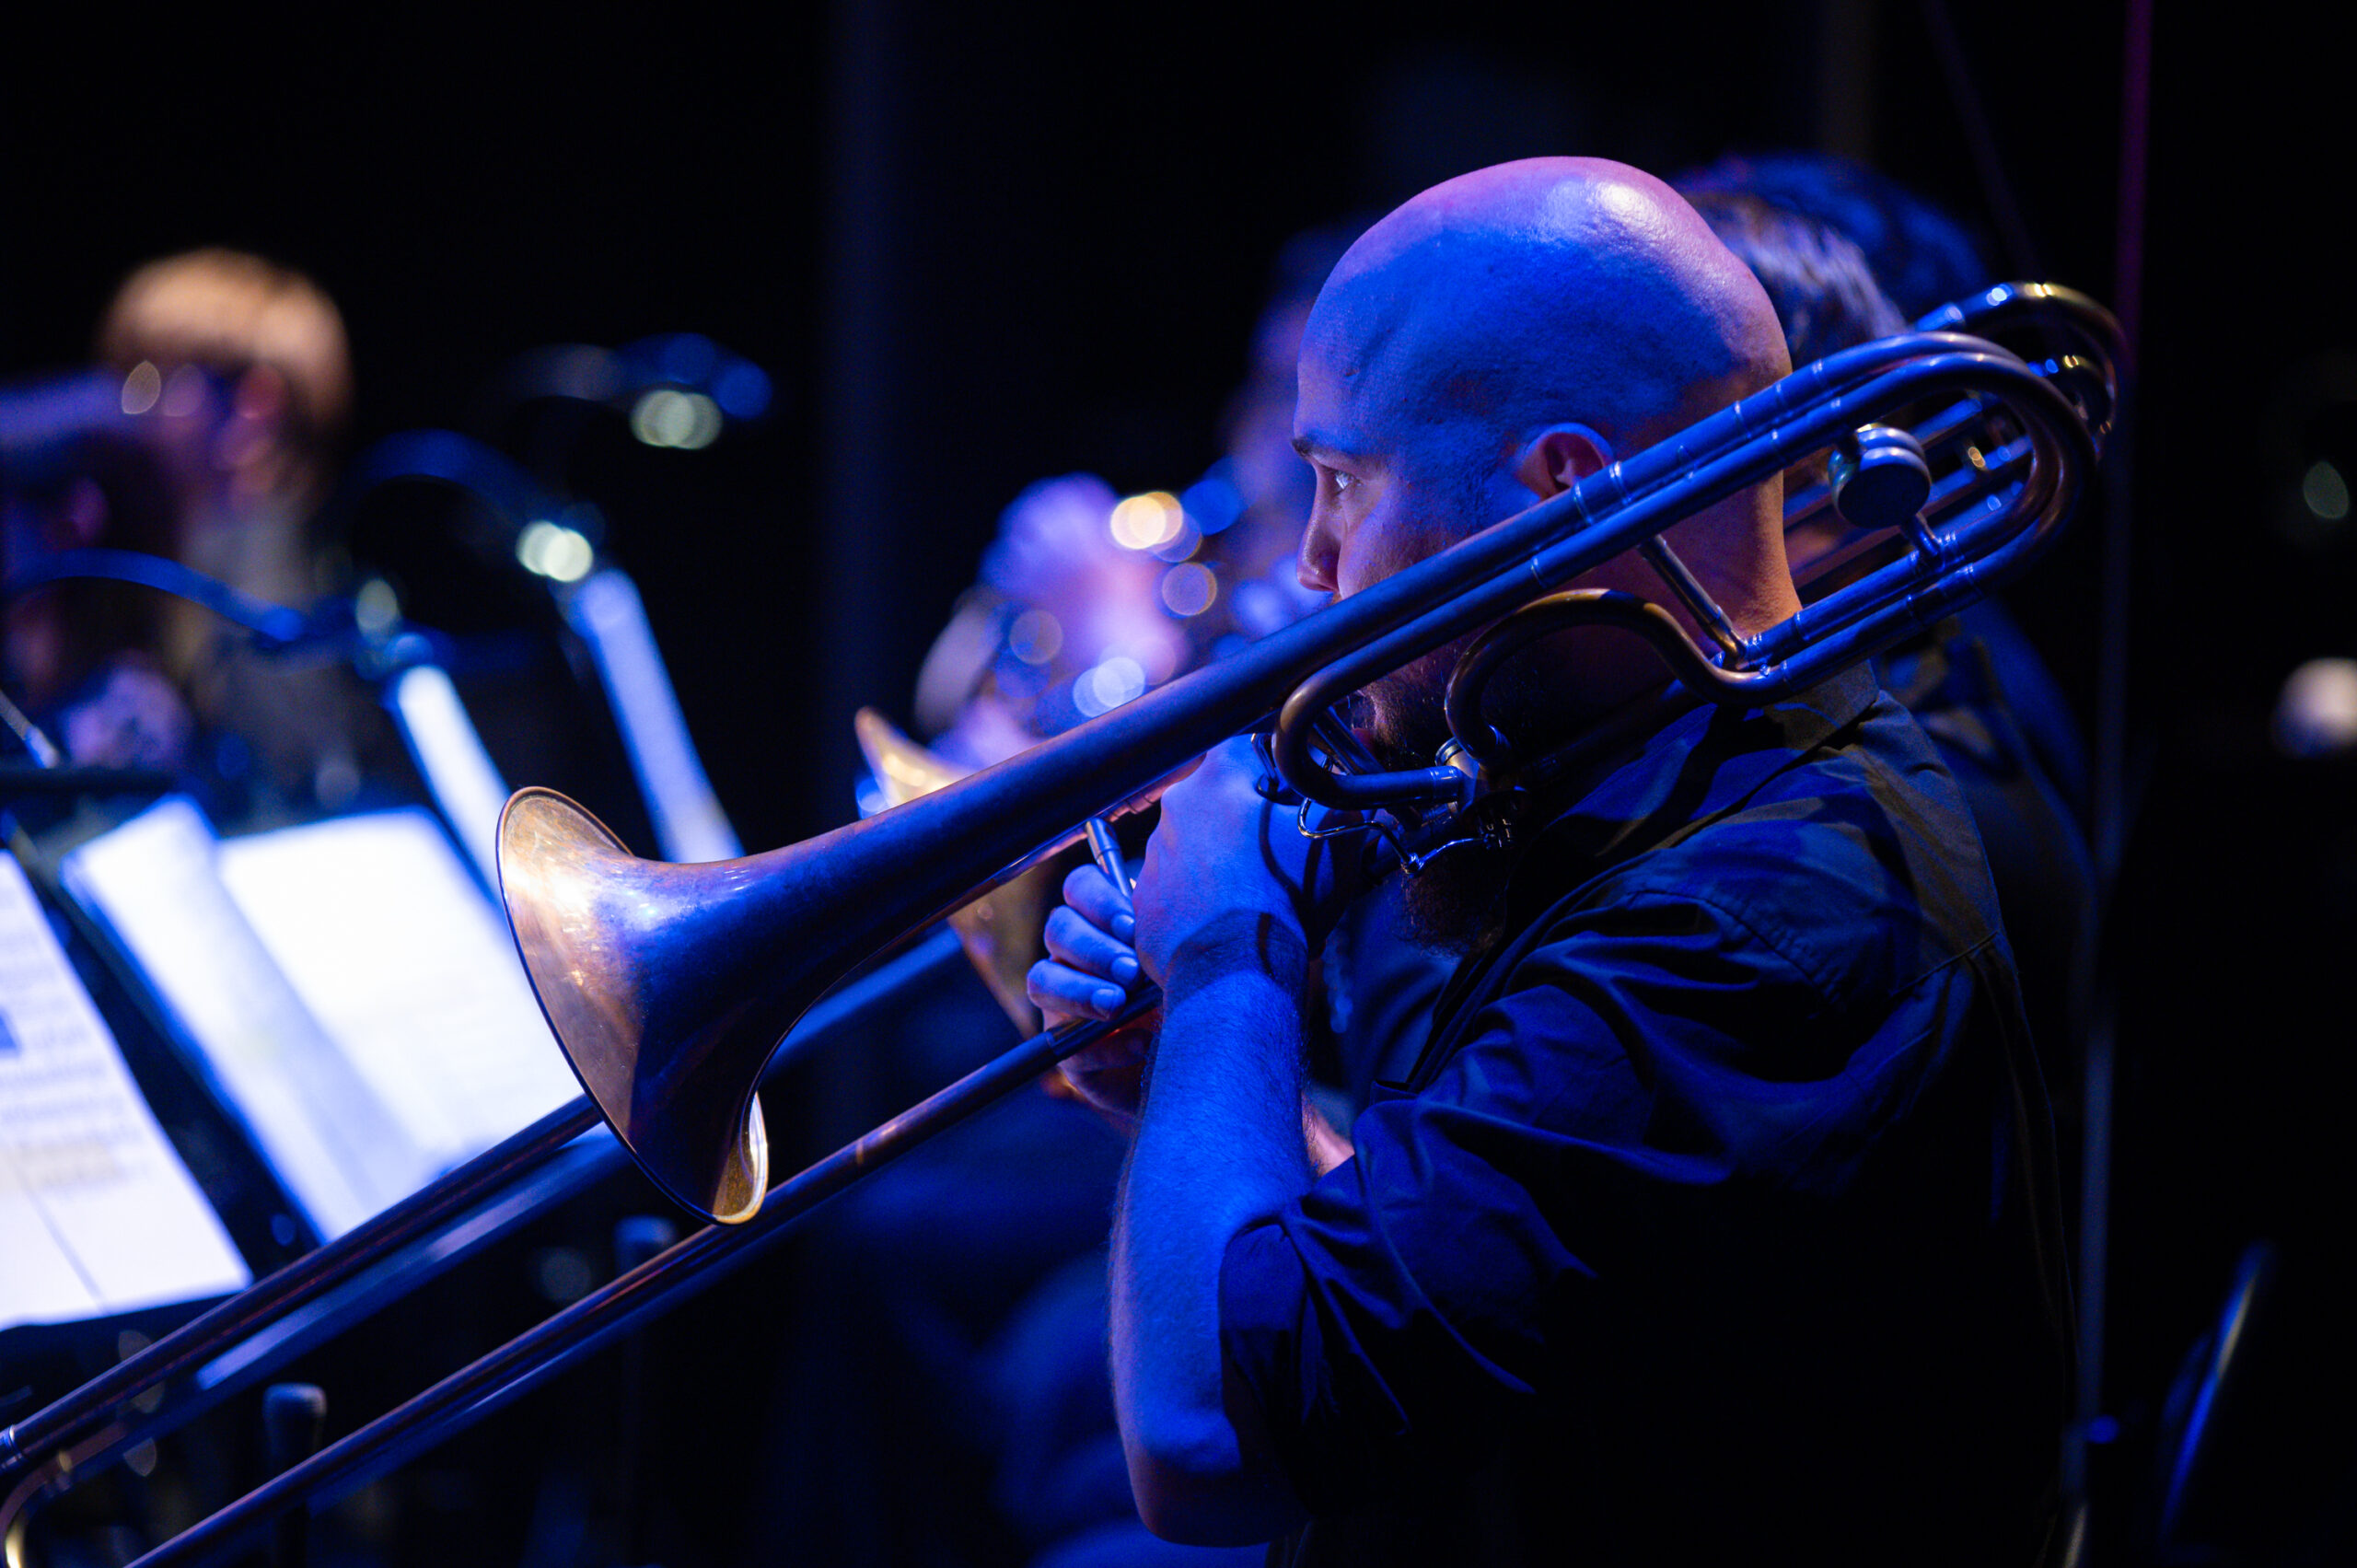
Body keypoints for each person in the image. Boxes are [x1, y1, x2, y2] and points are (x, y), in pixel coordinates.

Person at [1029, 157, 2073, 1564]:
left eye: (1342, 482)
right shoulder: (1692, 793)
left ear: (1564, 494)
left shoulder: (1751, 921)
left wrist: (1230, 965)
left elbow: (1213, 1441)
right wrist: (1184, 1086)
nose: (1319, 567)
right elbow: (1447, 1258)